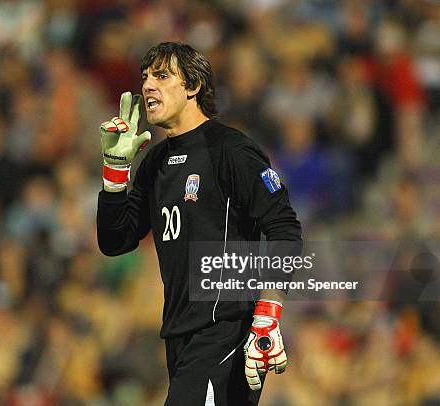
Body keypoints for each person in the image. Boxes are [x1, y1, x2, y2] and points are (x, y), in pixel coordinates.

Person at [96, 42, 302, 405]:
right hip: (179, 335)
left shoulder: (231, 150)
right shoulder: (155, 162)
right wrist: (115, 173)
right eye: (145, 77)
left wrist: (268, 314)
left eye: (161, 76)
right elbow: (116, 241)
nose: (147, 86)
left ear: (192, 87)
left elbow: (285, 228)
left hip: (226, 329)